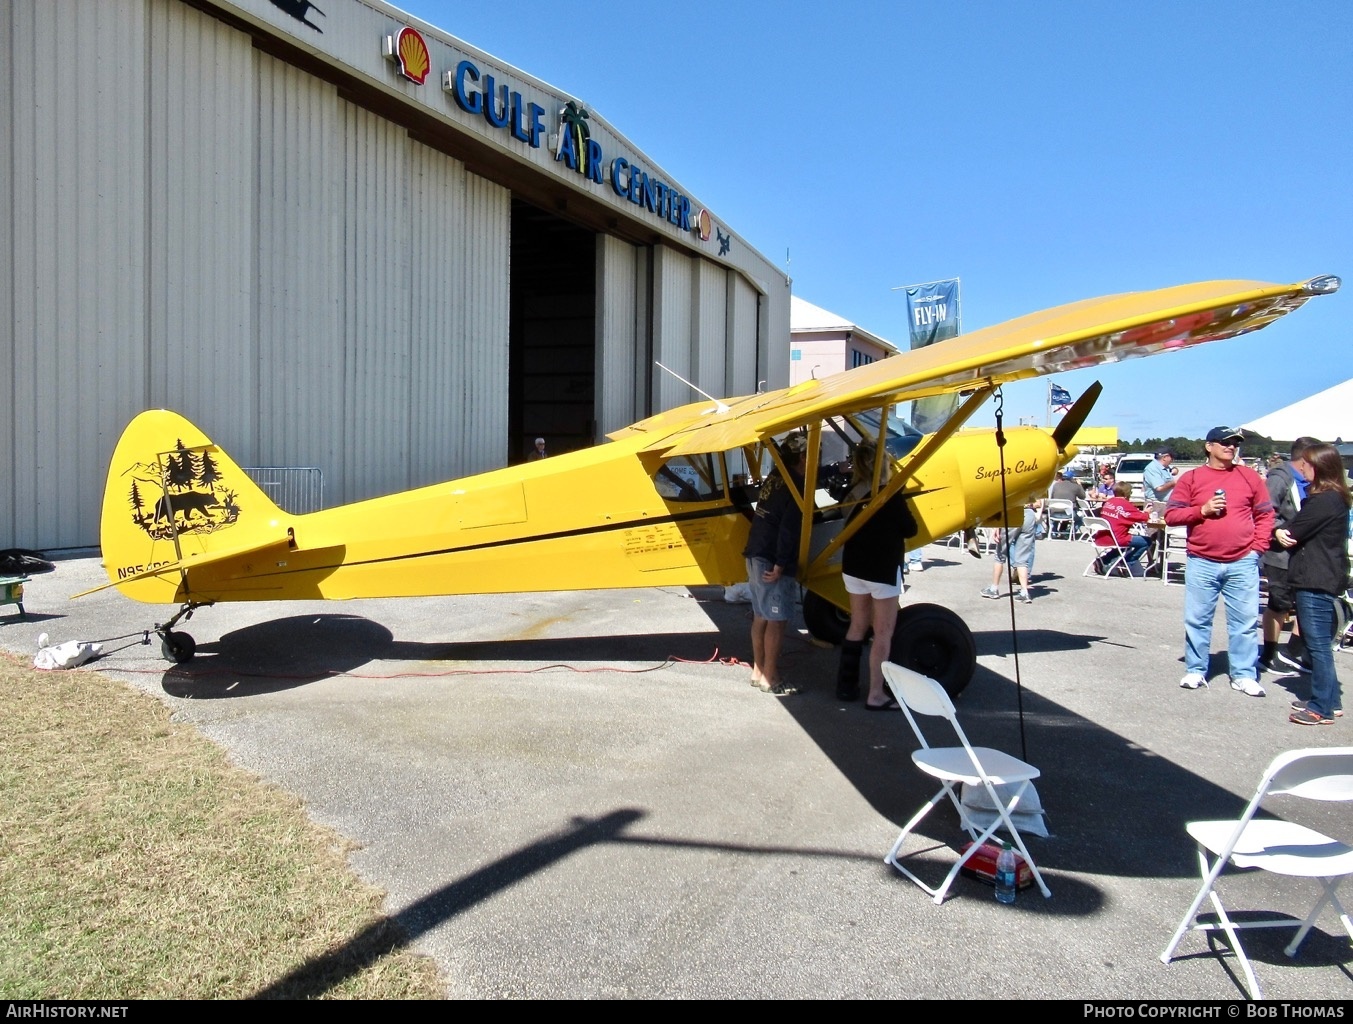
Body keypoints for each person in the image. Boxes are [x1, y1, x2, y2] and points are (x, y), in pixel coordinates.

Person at [1165, 426, 1275, 695]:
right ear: (1209, 446)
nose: (1231, 447)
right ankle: (1195, 670)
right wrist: (1201, 510)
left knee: (1245, 622)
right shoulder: (1192, 479)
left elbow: (1265, 515)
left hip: (1242, 561)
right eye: (1225, 442)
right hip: (1202, 560)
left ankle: (1244, 674)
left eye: (1235, 443)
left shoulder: (1250, 477)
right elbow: (1171, 516)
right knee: (1198, 620)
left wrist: (1257, 549)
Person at [835, 440, 918, 709]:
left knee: (857, 625)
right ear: (880, 465)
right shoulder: (888, 494)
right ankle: (876, 694)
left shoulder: (853, 490)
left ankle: (846, 688)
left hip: (853, 567)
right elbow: (910, 529)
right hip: (881, 569)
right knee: (882, 633)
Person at [1275, 443, 1351, 725]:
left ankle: (1321, 707)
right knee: (1319, 643)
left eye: (1305, 465)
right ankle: (1331, 700)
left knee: (1317, 644)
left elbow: (1295, 530)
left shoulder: (1324, 500)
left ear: (1318, 467)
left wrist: (1280, 531)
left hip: (1315, 577)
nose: (1300, 469)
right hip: (1324, 575)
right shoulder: (1336, 498)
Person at [743, 434, 808, 696]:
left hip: (755, 551)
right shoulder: (797, 486)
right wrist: (781, 563)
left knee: (761, 616)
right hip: (771, 559)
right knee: (777, 619)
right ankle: (772, 677)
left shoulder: (776, 476)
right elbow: (789, 530)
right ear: (803, 458)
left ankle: (758, 670)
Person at [1259, 436, 1321, 677]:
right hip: (1280, 555)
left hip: (1304, 553)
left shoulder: (1311, 479)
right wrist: (1276, 530)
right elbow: (1264, 511)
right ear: (1305, 458)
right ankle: (1269, 654)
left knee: (1304, 603)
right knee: (1280, 603)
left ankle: (1295, 651)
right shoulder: (1280, 478)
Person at [980, 499, 1041, 604]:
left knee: (1000, 554)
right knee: (1022, 559)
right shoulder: (1029, 484)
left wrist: (997, 526)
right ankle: (1024, 592)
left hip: (1012, 512)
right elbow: (1038, 503)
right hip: (1028, 513)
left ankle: (994, 588)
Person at [1094, 481, 1152, 568]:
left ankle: (1104, 560)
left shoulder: (1109, 502)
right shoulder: (1125, 504)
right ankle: (1127, 563)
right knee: (1147, 541)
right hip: (1117, 538)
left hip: (1102, 537)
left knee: (1127, 545)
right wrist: (1147, 512)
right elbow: (1143, 518)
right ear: (1127, 493)